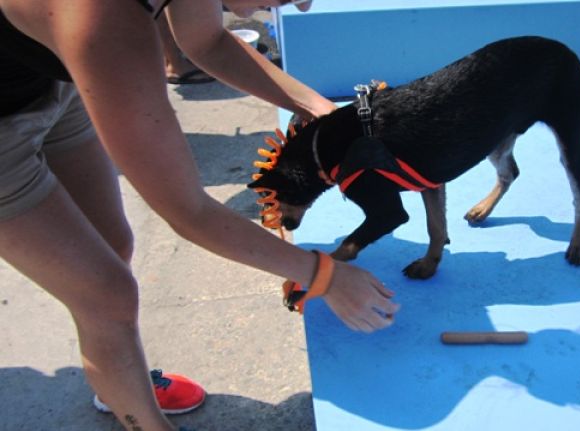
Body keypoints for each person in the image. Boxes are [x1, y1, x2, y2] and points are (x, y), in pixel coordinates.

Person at [0, 1, 400, 430]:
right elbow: (188, 211)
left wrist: (321, 111)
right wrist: (325, 277)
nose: (302, 4)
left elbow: (207, 40)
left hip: (50, 80)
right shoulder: (106, 20)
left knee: (113, 246)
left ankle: (118, 383)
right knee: (107, 294)